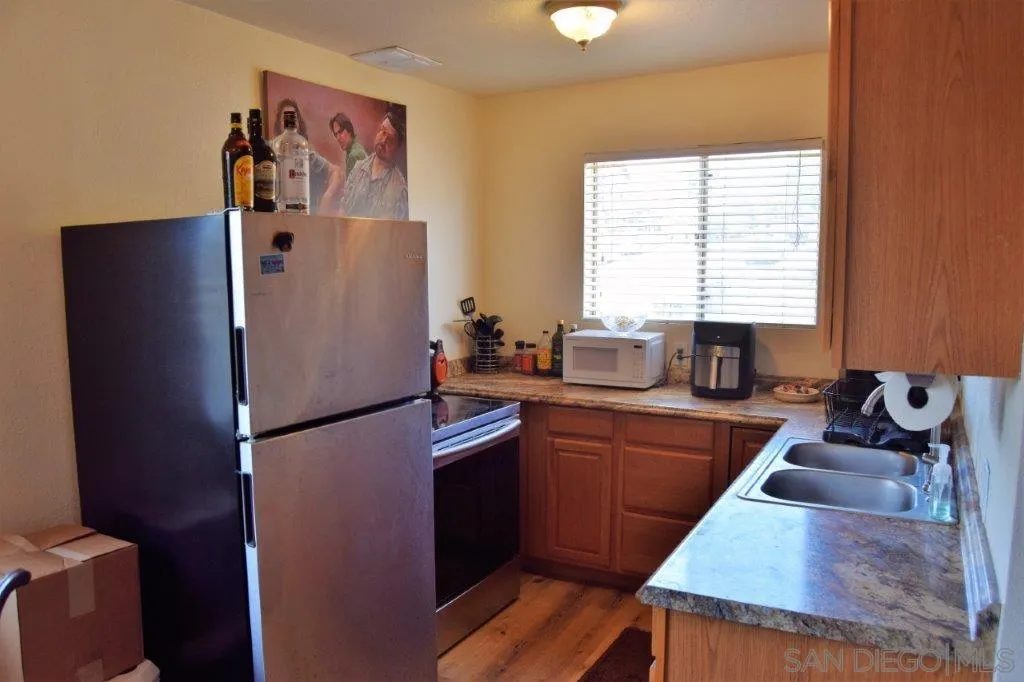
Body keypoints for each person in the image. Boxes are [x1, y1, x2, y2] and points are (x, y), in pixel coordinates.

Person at [342, 105, 409, 220]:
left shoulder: (399, 189)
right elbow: (343, 208)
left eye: (390, 140)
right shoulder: (358, 168)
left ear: (397, 148)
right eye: (383, 132)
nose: (383, 141)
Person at [271, 98, 337, 214]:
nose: (290, 121)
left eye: (294, 117)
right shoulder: (269, 150)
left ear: (298, 123)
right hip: (277, 215)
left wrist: (327, 196)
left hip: (301, 214)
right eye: (285, 118)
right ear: (279, 124)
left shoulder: (307, 154)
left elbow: (336, 171)